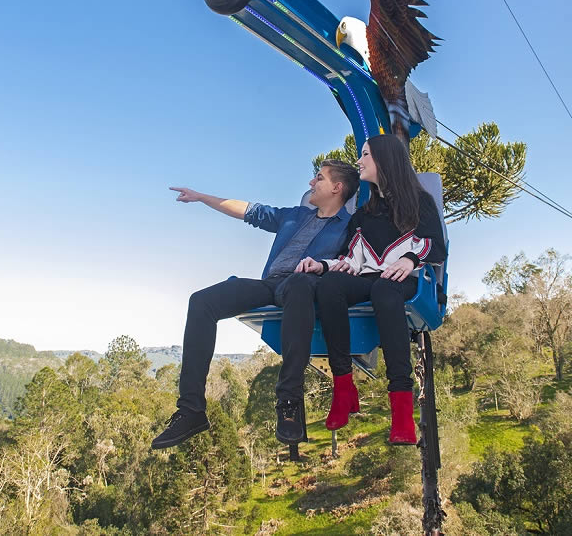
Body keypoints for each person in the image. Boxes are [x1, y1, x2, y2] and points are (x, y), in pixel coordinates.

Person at [151, 159, 360, 450]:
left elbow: (360, 262)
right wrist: (201, 197)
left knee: (300, 283)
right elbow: (248, 210)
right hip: (270, 285)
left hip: (304, 285)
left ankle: (289, 401)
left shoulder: (351, 227)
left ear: (337, 188)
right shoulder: (295, 216)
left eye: (319, 179)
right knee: (201, 302)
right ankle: (191, 410)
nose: (312, 183)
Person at [296, 134, 445, 445]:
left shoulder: (420, 203)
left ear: (385, 159)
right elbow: (350, 258)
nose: (359, 161)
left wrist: (409, 257)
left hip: (405, 280)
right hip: (370, 278)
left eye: (365, 155)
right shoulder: (364, 213)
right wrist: (322, 266)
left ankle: (402, 410)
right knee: (331, 286)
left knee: (385, 290)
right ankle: (343, 385)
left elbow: (436, 246)